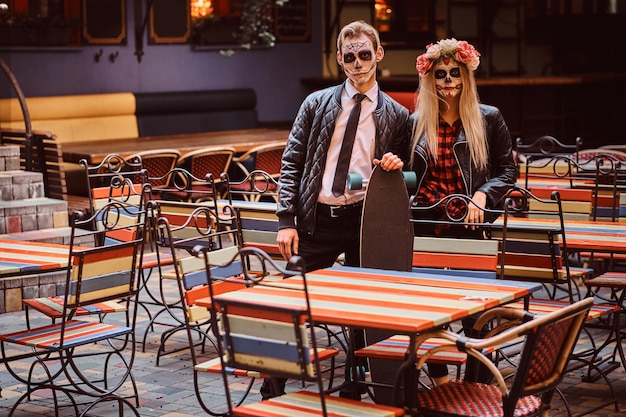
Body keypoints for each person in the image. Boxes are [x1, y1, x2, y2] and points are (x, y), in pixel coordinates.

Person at [263, 20, 410, 400]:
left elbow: (404, 169)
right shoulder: (316, 103)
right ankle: (272, 386)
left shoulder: (396, 114)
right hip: (317, 221)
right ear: (340, 61)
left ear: (378, 54)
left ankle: (355, 385)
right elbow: (292, 161)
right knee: (290, 299)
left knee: (362, 309)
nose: (358, 63)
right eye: (350, 57)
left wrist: (395, 163)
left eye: (365, 54)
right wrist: (285, 220)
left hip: (364, 221)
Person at [410, 38, 517, 384]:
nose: (447, 81)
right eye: (440, 74)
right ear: (430, 80)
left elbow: (508, 170)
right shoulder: (416, 123)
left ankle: (477, 386)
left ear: (466, 76)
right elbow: (408, 175)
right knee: (428, 308)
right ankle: (440, 382)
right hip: (426, 225)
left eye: (454, 73)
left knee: (478, 312)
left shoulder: (488, 119)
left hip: (471, 227)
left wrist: (485, 195)